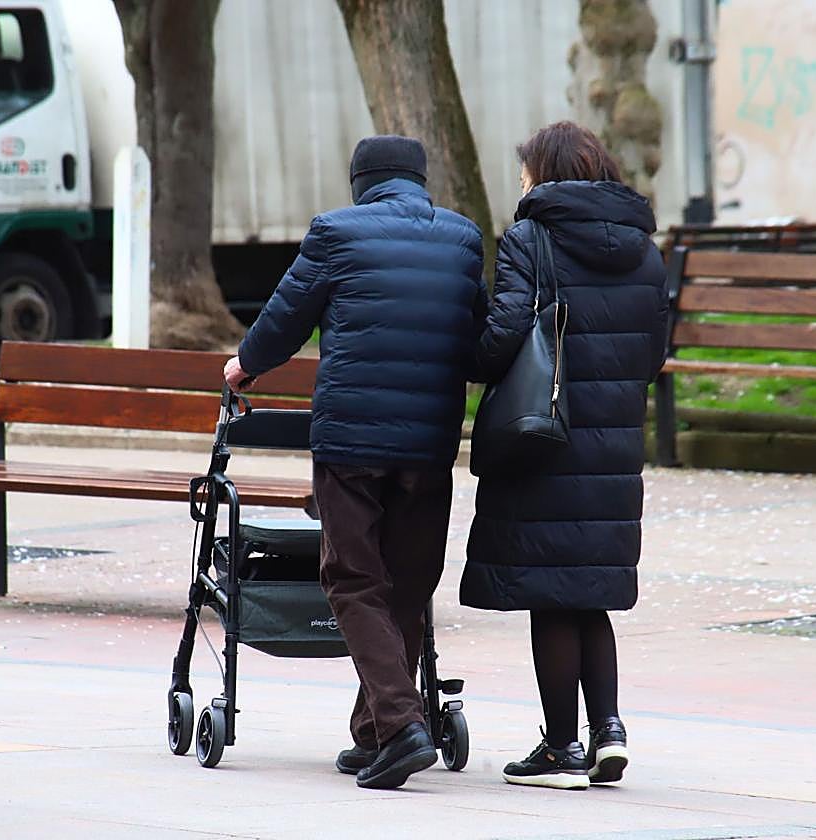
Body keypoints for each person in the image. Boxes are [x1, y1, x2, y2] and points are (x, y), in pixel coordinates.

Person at [223, 135, 485, 790]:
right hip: (428, 442)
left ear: (360, 181)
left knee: (351, 578)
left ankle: (398, 725)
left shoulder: (336, 232)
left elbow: (286, 318)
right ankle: (375, 731)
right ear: (420, 179)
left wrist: (243, 366)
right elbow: (477, 336)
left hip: (353, 441)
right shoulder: (462, 238)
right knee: (408, 579)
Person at [460, 121, 669, 790]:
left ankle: (560, 750)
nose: (520, 184)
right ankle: (609, 731)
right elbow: (652, 354)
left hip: (543, 440)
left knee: (552, 595)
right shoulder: (645, 249)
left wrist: (468, 347)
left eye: (525, 173)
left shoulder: (531, 237)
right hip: (612, 447)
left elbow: (501, 338)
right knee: (590, 593)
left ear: (544, 174)